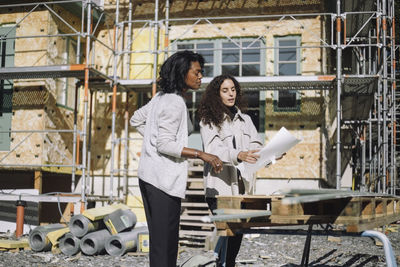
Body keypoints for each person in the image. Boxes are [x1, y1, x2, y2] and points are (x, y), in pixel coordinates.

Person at [130, 51, 223, 267]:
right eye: (197, 72)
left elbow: (137, 119)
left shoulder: (161, 98)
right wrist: (202, 154)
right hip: (162, 181)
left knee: (160, 245)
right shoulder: (174, 102)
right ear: (183, 73)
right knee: (166, 246)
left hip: (149, 177)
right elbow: (164, 144)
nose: (201, 77)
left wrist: (152, 141)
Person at [198, 74, 263, 267]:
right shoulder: (208, 120)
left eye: (233, 89)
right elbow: (213, 150)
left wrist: (270, 155)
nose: (230, 94)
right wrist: (239, 155)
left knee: (236, 236)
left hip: (243, 189)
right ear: (216, 94)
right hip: (220, 189)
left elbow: (256, 147)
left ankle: (227, 263)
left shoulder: (246, 120)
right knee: (228, 231)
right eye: (225, 90)